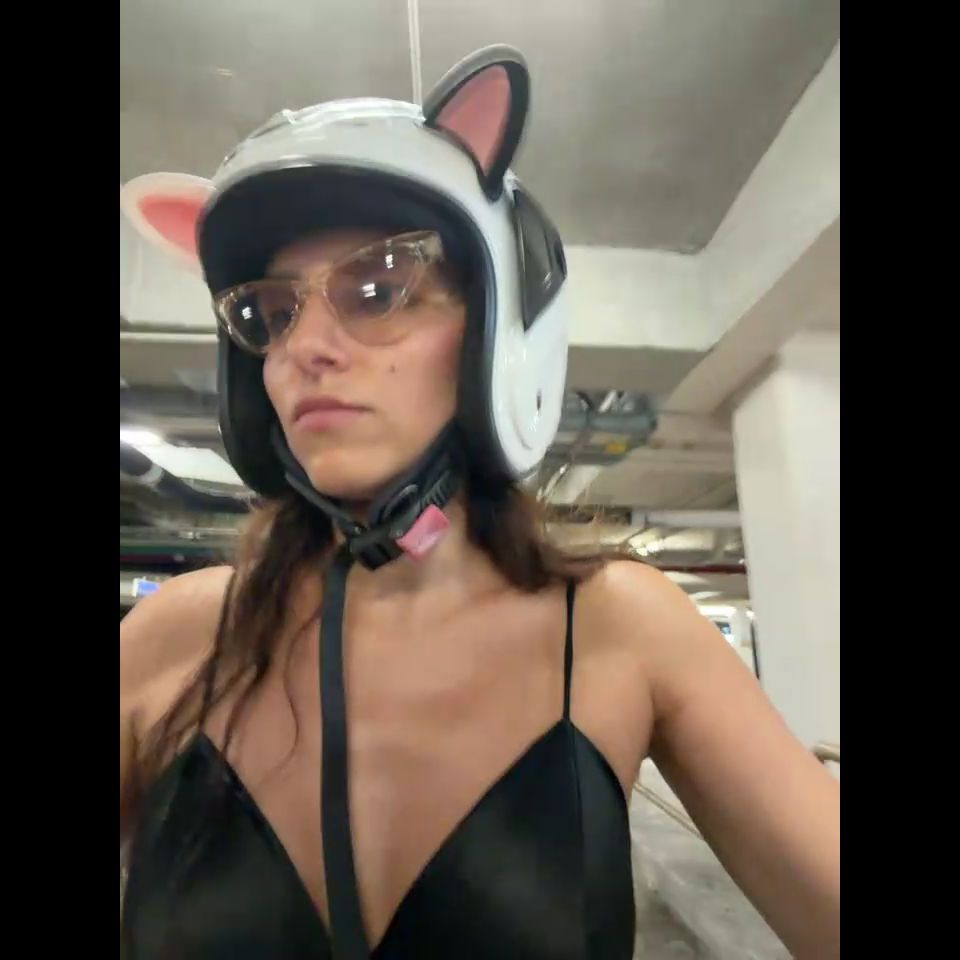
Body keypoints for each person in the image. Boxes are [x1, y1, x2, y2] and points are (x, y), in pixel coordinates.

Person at [119, 45, 840, 960]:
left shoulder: (618, 627)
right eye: (271, 313)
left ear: (496, 331)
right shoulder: (172, 640)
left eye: (379, 288)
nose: (304, 348)